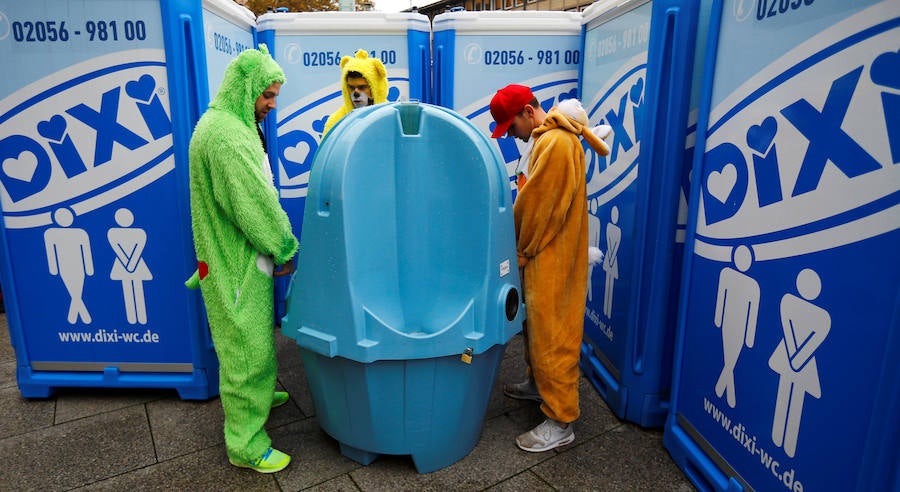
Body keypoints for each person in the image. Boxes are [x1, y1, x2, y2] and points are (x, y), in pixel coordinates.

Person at [185, 45, 299, 473]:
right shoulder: (228, 137)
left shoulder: (227, 123)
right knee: (245, 353)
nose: (272, 104)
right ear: (246, 88)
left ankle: (260, 395)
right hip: (236, 264)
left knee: (252, 338)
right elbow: (253, 204)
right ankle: (247, 444)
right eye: (267, 95)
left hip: (234, 259)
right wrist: (283, 246)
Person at [490, 84, 610, 452]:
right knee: (538, 330)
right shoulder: (548, 139)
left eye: (512, 126)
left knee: (554, 336)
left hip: (551, 256)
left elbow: (539, 208)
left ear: (528, 111)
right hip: (545, 253)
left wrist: (519, 248)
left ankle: (560, 419)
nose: (511, 135)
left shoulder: (556, 143)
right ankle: (538, 386)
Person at [322, 49, 388, 135]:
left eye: (362, 87)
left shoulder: (391, 117)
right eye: (351, 87)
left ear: (376, 88)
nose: (356, 93)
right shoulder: (336, 122)